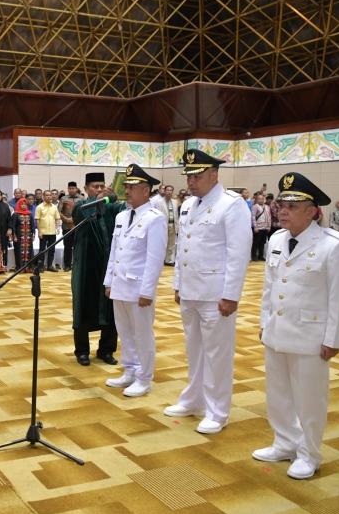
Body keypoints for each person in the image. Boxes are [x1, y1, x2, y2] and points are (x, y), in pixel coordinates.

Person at [254, 173, 339, 480]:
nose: (282, 210)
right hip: (277, 330)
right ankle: (285, 441)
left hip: (311, 336)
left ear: (311, 212)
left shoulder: (333, 245)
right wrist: (263, 323)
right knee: (278, 393)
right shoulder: (276, 239)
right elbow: (270, 287)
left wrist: (333, 338)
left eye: (291, 207)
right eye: (281, 204)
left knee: (310, 398)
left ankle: (310, 453)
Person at [167, 149, 252, 434]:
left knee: (218, 354)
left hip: (216, 294)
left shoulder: (232, 204)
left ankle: (217, 412)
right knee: (195, 351)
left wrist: (231, 295)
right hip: (191, 290)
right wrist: (178, 283)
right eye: (189, 176)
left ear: (214, 175)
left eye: (198, 175)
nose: (191, 181)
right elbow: (182, 248)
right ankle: (194, 400)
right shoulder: (190, 204)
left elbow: (238, 253)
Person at [104, 164, 167, 397]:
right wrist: (108, 280)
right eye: (126, 186)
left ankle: (144, 377)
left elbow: (155, 258)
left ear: (146, 190)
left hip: (139, 287)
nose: (127, 190)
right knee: (125, 331)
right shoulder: (121, 216)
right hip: (120, 284)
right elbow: (115, 252)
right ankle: (129, 370)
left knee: (142, 333)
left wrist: (147, 291)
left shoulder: (154, 219)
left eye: (132, 186)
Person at [71, 172, 126, 366]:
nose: (100, 189)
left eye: (102, 186)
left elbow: (125, 210)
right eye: (95, 186)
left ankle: (106, 350)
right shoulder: (81, 206)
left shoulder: (111, 208)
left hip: (108, 267)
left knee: (111, 308)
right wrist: (98, 199)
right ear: (86, 189)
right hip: (86, 267)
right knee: (83, 306)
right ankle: (82, 351)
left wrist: (116, 196)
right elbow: (78, 216)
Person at [58, 182, 83, 271]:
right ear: (68, 189)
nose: (71, 190)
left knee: (78, 246)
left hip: (78, 226)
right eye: (70, 188)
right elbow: (59, 211)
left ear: (76, 189)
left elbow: (84, 211)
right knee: (67, 246)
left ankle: (77, 264)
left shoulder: (81, 198)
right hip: (66, 226)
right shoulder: (63, 199)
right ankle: (67, 265)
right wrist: (66, 219)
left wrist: (76, 218)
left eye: (73, 188)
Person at [35, 190, 60, 272]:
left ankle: (50, 265)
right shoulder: (39, 207)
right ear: (43, 196)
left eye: (50, 195)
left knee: (52, 249)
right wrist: (39, 231)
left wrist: (58, 228)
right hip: (43, 231)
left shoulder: (54, 207)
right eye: (47, 195)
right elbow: (37, 220)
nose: (49, 197)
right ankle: (41, 266)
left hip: (52, 232)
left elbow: (57, 218)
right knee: (42, 250)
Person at [156, 185, 179, 266]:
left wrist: (177, 226)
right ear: (165, 191)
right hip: (164, 225)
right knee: (162, 244)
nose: (169, 192)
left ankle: (169, 260)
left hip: (172, 224)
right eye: (168, 190)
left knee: (171, 244)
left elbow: (176, 215)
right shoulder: (159, 202)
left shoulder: (175, 202)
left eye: (171, 190)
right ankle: (160, 260)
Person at [12, 198, 35, 273]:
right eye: (22, 204)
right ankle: (20, 268)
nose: (24, 206)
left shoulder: (29, 214)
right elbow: (13, 226)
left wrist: (33, 234)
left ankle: (28, 267)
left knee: (29, 252)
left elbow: (32, 225)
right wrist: (14, 236)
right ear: (19, 204)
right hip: (19, 237)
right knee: (19, 252)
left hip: (28, 237)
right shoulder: (16, 214)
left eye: (25, 204)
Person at [251, 193, 270, 261]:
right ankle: (254, 256)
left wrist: (269, 226)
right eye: (259, 199)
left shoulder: (267, 207)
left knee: (263, 242)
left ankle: (261, 255)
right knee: (256, 242)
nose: (261, 200)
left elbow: (269, 216)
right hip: (258, 228)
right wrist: (255, 227)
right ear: (256, 200)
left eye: (262, 199)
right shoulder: (255, 207)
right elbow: (253, 217)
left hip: (265, 227)